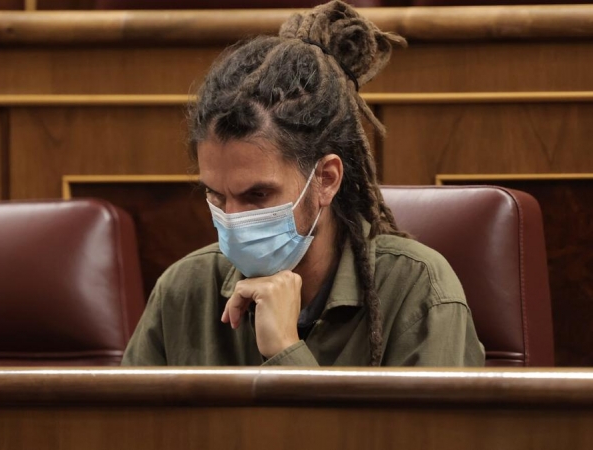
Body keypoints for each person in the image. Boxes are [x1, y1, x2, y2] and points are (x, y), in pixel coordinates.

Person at [122, 0, 484, 367]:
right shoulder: (183, 289)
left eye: (258, 195)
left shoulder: (417, 289)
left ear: (326, 180)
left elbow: (421, 429)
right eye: (216, 195)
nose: (232, 218)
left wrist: (285, 351)